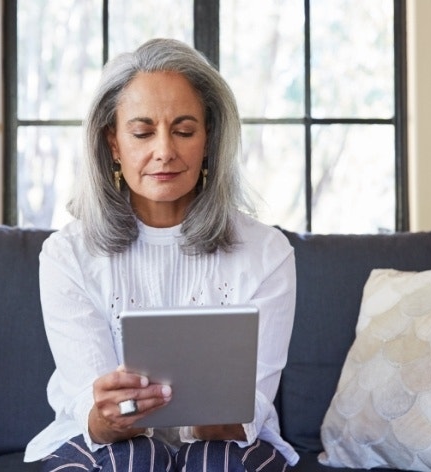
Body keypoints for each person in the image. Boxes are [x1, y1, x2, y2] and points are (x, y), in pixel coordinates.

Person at [24, 38, 298, 471]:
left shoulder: (267, 252)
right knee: (134, 458)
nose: (165, 150)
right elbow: (89, 408)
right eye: (142, 132)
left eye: (185, 130)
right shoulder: (67, 254)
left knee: (215, 461)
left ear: (209, 139)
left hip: (225, 446)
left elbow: (253, 405)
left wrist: (221, 417)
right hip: (106, 447)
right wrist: (107, 418)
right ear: (112, 142)